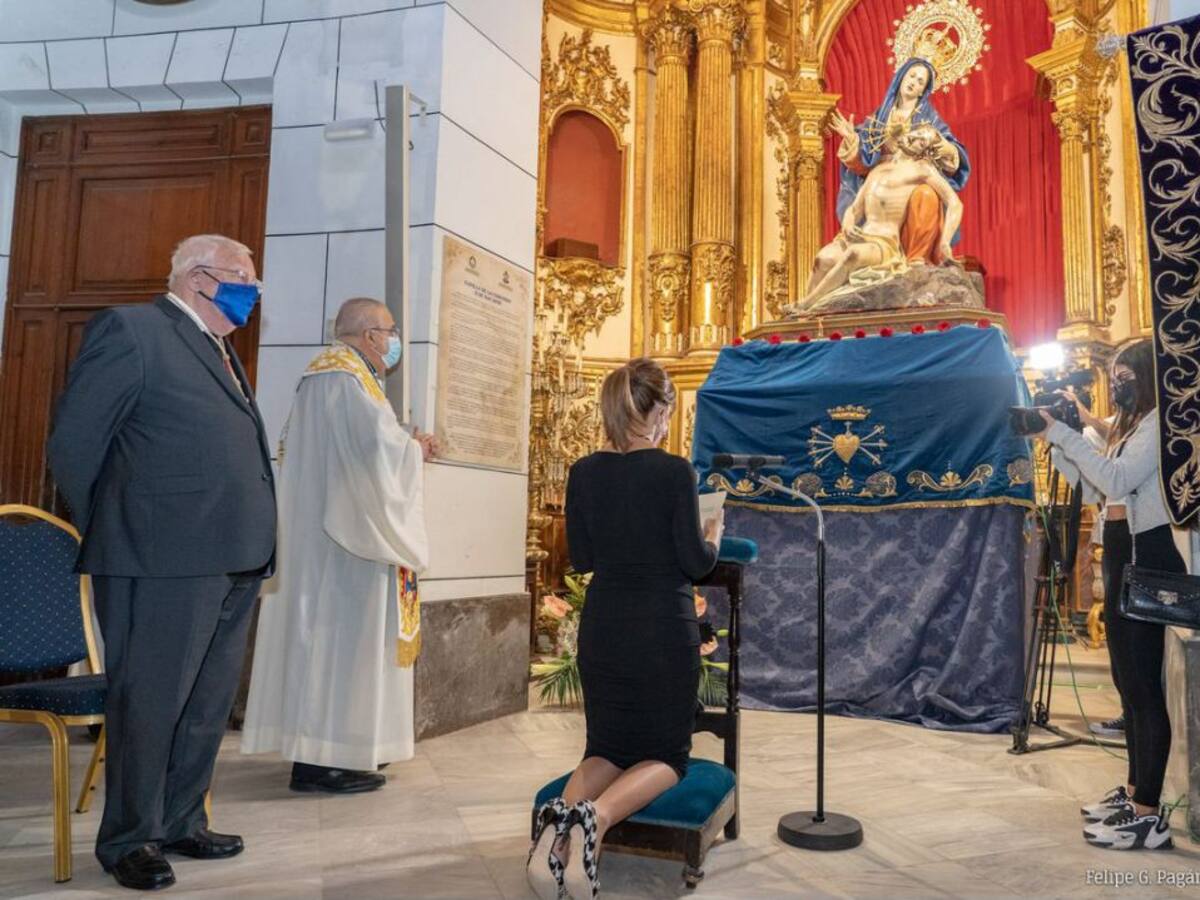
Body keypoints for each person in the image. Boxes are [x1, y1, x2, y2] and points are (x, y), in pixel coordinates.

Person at [47, 234, 277, 890]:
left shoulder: (219, 346)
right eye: (244, 277)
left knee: (204, 703)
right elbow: (75, 442)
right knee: (149, 701)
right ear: (199, 277)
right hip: (158, 558)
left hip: (231, 554)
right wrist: (122, 530)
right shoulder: (135, 330)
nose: (253, 291)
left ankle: (181, 819)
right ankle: (128, 838)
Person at [526, 359, 723, 899]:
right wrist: (713, 534)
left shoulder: (584, 472)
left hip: (605, 627)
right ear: (658, 411)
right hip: (661, 629)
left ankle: (556, 836)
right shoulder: (674, 471)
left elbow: (583, 557)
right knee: (668, 756)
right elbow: (695, 562)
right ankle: (597, 817)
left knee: (606, 747)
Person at [241, 297, 436, 793]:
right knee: (335, 650)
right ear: (369, 334)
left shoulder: (342, 377)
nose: (393, 343)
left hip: (342, 535)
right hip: (345, 544)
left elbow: (364, 448)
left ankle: (344, 751)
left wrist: (403, 445)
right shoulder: (341, 377)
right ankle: (319, 761)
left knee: (344, 653)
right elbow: (371, 453)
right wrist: (415, 448)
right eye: (390, 332)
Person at [1038, 339, 1181, 851]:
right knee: (1126, 682)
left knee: (1144, 686)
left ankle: (1149, 813)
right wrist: (1062, 442)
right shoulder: (1131, 428)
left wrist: (1064, 435)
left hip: (1149, 556)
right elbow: (1099, 486)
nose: (1116, 382)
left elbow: (1119, 477)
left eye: (1124, 374)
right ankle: (1133, 790)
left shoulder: (1161, 424)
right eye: (1113, 374)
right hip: (1122, 551)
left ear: (1144, 376)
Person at [828, 57, 969, 265]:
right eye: (912, 76)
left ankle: (916, 258)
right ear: (901, 76)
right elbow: (863, 162)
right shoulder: (881, 115)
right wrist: (852, 140)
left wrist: (940, 145)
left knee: (927, 194)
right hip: (881, 179)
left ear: (923, 91)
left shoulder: (929, 118)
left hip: (912, 180)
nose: (914, 82)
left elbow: (951, 156)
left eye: (921, 81)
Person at [804, 124, 963, 305]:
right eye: (916, 133)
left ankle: (807, 305)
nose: (915, 138)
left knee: (853, 255)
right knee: (822, 259)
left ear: (925, 152)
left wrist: (945, 242)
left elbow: (954, 203)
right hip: (859, 236)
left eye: (922, 140)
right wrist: (848, 225)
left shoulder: (922, 170)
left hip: (884, 243)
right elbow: (855, 209)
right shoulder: (879, 169)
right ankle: (803, 320)